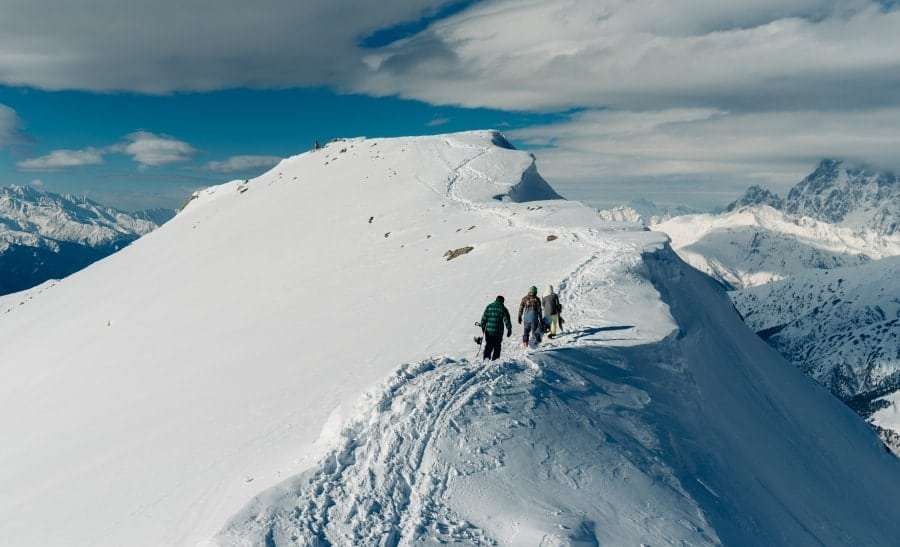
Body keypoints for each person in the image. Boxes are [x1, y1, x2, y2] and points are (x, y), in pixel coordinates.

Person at [480, 296, 512, 360]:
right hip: (498, 332)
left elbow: (484, 319)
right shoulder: (503, 308)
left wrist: (483, 328)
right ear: (502, 301)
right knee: (497, 346)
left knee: (488, 345)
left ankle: (486, 359)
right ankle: (495, 361)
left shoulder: (489, 306)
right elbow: (507, 320)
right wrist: (509, 329)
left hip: (489, 331)